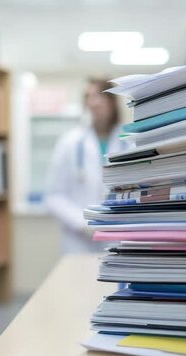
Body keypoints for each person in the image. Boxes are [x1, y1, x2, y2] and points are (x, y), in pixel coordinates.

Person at [45, 77, 129, 254]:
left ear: (112, 102)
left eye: (99, 96)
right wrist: (83, 223)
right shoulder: (70, 143)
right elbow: (54, 196)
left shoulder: (130, 143)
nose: (94, 102)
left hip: (120, 237)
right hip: (79, 241)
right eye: (89, 97)